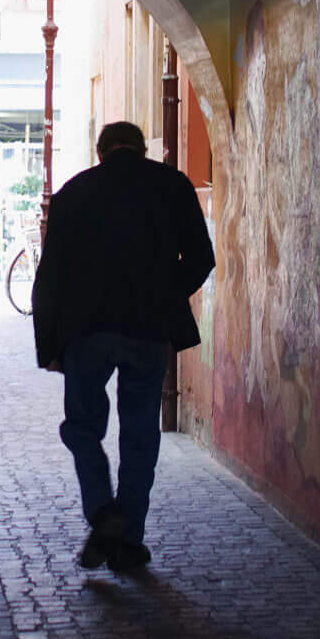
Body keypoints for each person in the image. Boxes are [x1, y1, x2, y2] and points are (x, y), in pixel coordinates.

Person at [32, 120, 216, 572]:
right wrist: (168, 294)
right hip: (147, 331)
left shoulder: (74, 193)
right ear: (142, 149)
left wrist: (49, 346)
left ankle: (103, 512)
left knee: (82, 428)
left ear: (101, 152)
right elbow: (202, 258)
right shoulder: (172, 187)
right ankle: (128, 538)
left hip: (85, 333)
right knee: (139, 433)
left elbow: (49, 277)